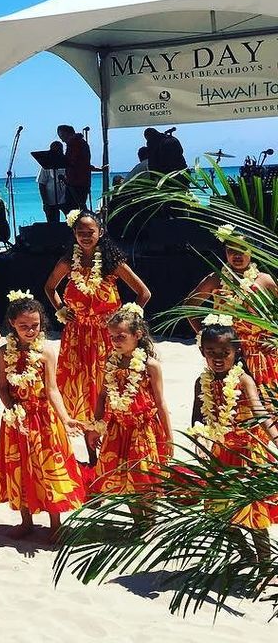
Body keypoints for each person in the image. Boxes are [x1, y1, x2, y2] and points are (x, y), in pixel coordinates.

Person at [45, 209, 151, 463]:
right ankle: (92, 453)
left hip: (106, 338)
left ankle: (112, 448)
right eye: (80, 232)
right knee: (81, 391)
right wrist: (60, 308)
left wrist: (126, 322)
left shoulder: (112, 263)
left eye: (90, 232)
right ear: (74, 234)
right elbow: (49, 287)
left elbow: (143, 293)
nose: (85, 236)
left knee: (104, 390)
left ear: (100, 232)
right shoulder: (69, 261)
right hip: (76, 337)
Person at [0, 290, 85, 538]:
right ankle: (26, 521)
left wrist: (65, 419)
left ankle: (56, 524)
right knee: (20, 466)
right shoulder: (3, 352)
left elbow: (53, 390)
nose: (30, 330)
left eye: (35, 325)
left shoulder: (46, 352)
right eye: (24, 326)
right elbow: (2, 387)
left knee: (49, 468)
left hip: (44, 418)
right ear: (12, 324)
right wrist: (12, 409)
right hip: (17, 418)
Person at [193, 319, 278, 558]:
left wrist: (275, 437)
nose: (218, 357)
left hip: (249, 452)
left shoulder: (243, 380)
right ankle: (245, 554)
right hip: (221, 452)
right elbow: (198, 419)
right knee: (218, 510)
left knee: (252, 509)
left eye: (224, 352)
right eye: (211, 352)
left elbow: (259, 410)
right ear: (202, 351)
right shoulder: (202, 382)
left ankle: (264, 559)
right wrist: (200, 442)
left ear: (236, 352)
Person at [89, 304, 172, 507]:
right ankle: (137, 521)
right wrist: (96, 428)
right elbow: (102, 396)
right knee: (123, 478)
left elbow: (160, 403)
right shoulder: (111, 361)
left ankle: (149, 520)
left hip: (143, 430)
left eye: (121, 336)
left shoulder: (150, 365)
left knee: (143, 477)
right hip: (117, 428)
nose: (115, 341)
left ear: (137, 334)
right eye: (112, 337)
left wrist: (168, 437)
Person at [185, 224, 278, 395]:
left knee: (263, 404)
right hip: (226, 352)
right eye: (231, 250)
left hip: (259, 354)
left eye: (242, 249)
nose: (237, 255)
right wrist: (204, 337)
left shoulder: (265, 281)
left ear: (251, 251)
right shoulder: (215, 279)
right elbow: (189, 307)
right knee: (230, 402)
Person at [57, 125, 94, 211]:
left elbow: (72, 161)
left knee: (73, 210)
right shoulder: (81, 142)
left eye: (62, 136)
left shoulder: (74, 144)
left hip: (76, 182)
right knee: (77, 207)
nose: (62, 140)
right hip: (81, 181)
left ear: (68, 133)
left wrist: (61, 159)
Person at [37, 142, 68, 222]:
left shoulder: (67, 162)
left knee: (72, 223)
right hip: (50, 201)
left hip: (66, 199)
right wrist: (45, 202)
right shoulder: (45, 165)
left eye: (58, 150)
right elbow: (41, 184)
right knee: (53, 225)